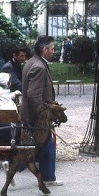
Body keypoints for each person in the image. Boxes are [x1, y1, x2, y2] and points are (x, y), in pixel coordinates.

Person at [21, 35, 62, 186]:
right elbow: (34, 95)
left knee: (39, 146)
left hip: (31, 114)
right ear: (44, 50)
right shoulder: (39, 66)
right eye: (52, 48)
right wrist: (44, 114)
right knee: (44, 146)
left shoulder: (33, 62)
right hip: (36, 116)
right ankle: (48, 178)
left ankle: (48, 177)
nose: (54, 51)